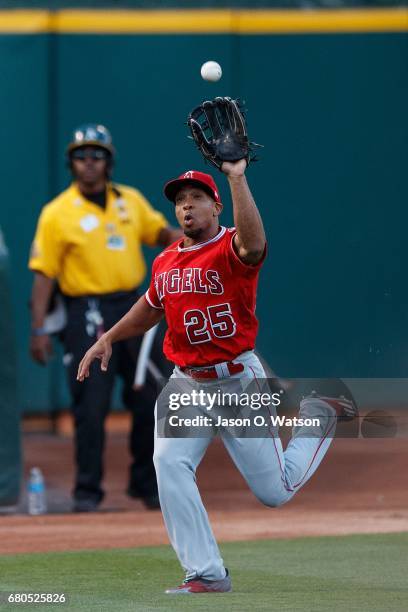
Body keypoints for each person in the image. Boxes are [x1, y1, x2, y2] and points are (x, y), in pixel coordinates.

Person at [76, 159, 356, 592]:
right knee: (168, 464)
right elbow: (150, 307)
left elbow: (255, 243)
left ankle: (320, 415)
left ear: (217, 207)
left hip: (237, 380)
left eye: (197, 199)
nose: (187, 207)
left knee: (274, 492)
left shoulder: (232, 247)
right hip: (186, 383)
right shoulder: (166, 260)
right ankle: (206, 572)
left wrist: (237, 176)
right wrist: (108, 337)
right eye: (180, 201)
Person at [29, 123, 180, 512]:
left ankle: (146, 486)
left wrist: (193, 241)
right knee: (91, 405)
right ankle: (87, 492)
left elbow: (161, 234)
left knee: (152, 397)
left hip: (134, 308)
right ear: (71, 164)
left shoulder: (128, 200)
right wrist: (40, 327)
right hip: (87, 312)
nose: (89, 163)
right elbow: (44, 274)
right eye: (81, 157)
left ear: (108, 162)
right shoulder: (57, 213)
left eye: (97, 156)